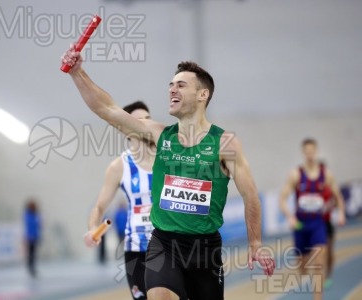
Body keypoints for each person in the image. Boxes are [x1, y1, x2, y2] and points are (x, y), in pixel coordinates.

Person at [62, 47, 275, 300]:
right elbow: (107, 109)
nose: (172, 89)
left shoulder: (225, 144)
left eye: (181, 85)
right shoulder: (158, 134)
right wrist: (78, 73)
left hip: (204, 249)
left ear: (202, 94)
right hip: (163, 244)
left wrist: (255, 243)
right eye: (171, 85)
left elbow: (250, 195)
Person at [84, 101, 155, 300]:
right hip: (136, 250)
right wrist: (93, 229)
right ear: (126, 127)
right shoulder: (119, 167)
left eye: (148, 120)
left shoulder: (167, 158)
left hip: (168, 246)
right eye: (139, 120)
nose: (145, 125)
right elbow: (99, 206)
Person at [279, 139, 345, 300]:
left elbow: (338, 195)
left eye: (312, 151)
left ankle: (318, 297)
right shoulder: (296, 174)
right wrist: (290, 217)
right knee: (302, 266)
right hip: (300, 225)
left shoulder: (326, 174)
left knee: (318, 263)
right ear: (303, 153)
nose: (309, 155)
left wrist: (341, 212)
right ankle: (303, 263)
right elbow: (282, 199)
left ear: (316, 152)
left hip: (317, 223)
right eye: (306, 152)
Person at [320, 164, 346, 288]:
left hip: (327, 223)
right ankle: (320, 273)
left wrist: (340, 213)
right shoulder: (312, 187)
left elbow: (338, 199)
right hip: (316, 223)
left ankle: (328, 275)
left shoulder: (330, 186)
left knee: (329, 251)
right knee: (320, 251)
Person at [24, 199, 42, 277]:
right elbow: (29, 225)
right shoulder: (28, 215)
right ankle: (30, 267)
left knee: (33, 253)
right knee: (30, 253)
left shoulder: (36, 214)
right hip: (30, 236)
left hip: (35, 236)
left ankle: (33, 267)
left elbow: (38, 225)